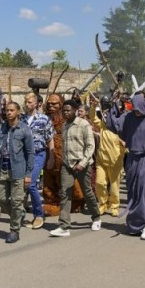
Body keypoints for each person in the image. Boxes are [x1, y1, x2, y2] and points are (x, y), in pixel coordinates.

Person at [106, 93, 145, 240]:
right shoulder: (129, 117)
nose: (136, 111)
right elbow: (114, 124)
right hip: (132, 159)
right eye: (134, 108)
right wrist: (114, 105)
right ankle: (134, 224)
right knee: (133, 192)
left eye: (138, 108)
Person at [49, 99, 102, 237]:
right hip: (67, 165)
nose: (66, 113)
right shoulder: (65, 125)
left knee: (87, 192)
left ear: (75, 110)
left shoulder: (84, 124)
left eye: (68, 110)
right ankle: (64, 226)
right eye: (64, 110)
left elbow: (90, 146)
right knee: (65, 193)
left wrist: (83, 163)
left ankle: (96, 217)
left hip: (82, 164)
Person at [0, 101, 35, 243]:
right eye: (6, 110)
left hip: (19, 170)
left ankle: (14, 230)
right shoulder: (1, 129)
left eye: (11, 110)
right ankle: (18, 215)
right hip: (3, 169)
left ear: (18, 112)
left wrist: (28, 174)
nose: (8, 113)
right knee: (1, 198)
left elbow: (30, 152)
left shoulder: (24, 129)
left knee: (17, 202)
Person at [42, 93, 85, 216]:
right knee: (49, 181)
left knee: (68, 182)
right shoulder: (44, 118)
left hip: (65, 156)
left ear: (60, 104)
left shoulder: (67, 120)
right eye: (49, 103)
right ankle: (52, 204)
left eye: (54, 103)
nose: (51, 106)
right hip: (48, 155)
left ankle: (77, 202)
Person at [87, 92, 126, 218]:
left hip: (115, 161)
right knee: (99, 183)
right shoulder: (102, 126)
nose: (106, 114)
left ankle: (114, 206)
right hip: (101, 161)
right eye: (104, 112)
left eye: (108, 112)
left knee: (114, 187)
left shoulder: (120, 128)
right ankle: (103, 204)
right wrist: (93, 107)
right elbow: (93, 118)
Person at [23, 93, 53, 229]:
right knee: (23, 185)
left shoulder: (44, 119)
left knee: (32, 184)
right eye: (25, 102)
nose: (27, 104)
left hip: (38, 154)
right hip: (23, 156)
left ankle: (39, 215)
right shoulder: (21, 119)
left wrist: (51, 157)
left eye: (29, 102)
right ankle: (22, 213)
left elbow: (50, 138)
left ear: (36, 104)